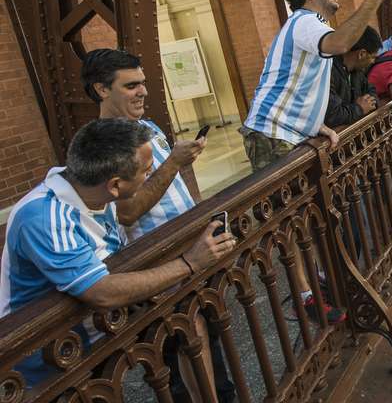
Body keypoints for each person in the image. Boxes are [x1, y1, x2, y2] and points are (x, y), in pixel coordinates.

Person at [0, 119, 236, 391]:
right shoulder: (45, 217)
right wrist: (189, 263)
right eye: (147, 172)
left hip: (92, 344)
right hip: (47, 365)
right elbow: (101, 291)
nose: (151, 175)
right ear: (115, 186)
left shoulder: (90, 190)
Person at [241, 0, 392, 171]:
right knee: (289, 203)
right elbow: (341, 44)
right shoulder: (305, 21)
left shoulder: (310, 24)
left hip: (282, 131)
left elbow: (302, 86)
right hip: (274, 132)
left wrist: (314, 125)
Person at [80, 48, 202, 240]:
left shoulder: (148, 126)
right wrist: (175, 162)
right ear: (102, 89)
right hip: (160, 250)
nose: (143, 92)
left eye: (143, 84)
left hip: (192, 237)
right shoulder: (101, 145)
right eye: (131, 86)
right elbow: (127, 213)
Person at [324, 26, 381, 127]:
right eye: (372, 57)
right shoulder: (329, 71)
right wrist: (359, 108)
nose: (373, 62)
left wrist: (368, 103)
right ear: (362, 54)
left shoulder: (357, 71)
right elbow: (332, 116)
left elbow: (372, 92)